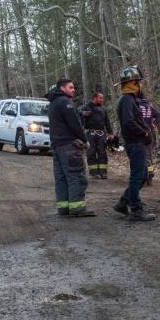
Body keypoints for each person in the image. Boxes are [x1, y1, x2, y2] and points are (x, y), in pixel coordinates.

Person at [46, 79, 95, 217]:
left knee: (61, 178)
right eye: (71, 87)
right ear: (62, 88)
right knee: (76, 176)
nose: (73, 89)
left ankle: (63, 207)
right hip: (69, 147)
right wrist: (85, 140)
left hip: (57, 147)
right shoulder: (65, 102)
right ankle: (78, 208)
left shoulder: (53, 103)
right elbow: (74, 123)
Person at [113, 65, 156, 221]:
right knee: (137, 177)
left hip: (138, 143)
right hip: (135, 143)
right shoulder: (126, 100)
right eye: (138, 83)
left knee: (143, 175)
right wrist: (143, 131)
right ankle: (136, 210)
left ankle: (123, 203)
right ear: (133, 84)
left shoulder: (131, 100)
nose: (140, 86)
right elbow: (128, 122)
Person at [80, 91, 113, 179]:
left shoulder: (103, 109)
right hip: (90, 133)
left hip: (101, 134)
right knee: (91, 152)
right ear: (94, 98)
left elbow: (107, 122)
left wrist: (110, 133)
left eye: (102, 98)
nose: (102, 100)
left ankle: (103, 173)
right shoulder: (85, 107)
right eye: (100, 98)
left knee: (102, 152)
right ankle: (94, 173)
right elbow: (79, 121)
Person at [138, 93, 160, 185]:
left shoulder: (135, 107)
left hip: (138, 135)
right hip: (148, 134)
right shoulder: (149, 107)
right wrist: (152, 126)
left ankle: (142, 177)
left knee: (139, 156)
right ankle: (150, 177)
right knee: (148, 156)